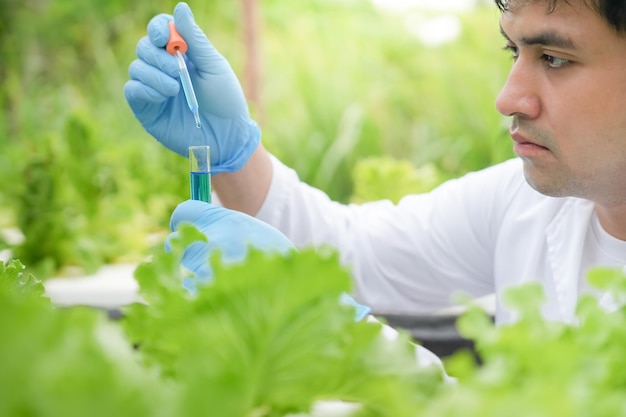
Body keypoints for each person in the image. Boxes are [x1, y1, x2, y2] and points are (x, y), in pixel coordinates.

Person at [124, 0, 626, 331]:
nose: (508, 97)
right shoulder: (522, 204)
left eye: (555, 58)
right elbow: (351, 253)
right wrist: (234, 155)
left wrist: (332, 329)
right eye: (513, 50)